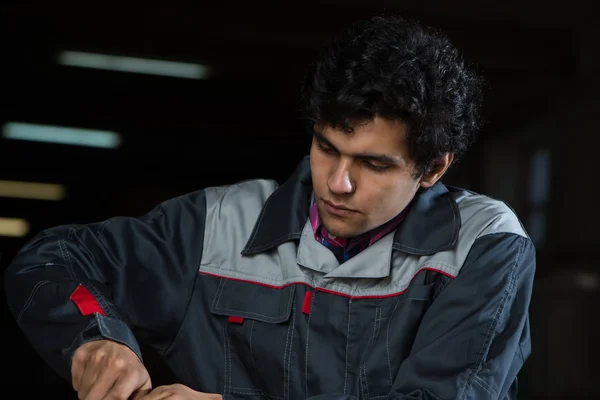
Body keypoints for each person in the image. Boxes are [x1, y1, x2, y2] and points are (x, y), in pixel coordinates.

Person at [4, 15, 535, 400]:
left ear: (433, 168)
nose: (339, 183)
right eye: (327, 148)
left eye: (373, 165)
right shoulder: (217, 227)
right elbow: (53, 262)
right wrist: (96, 340)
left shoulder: (482, 247)